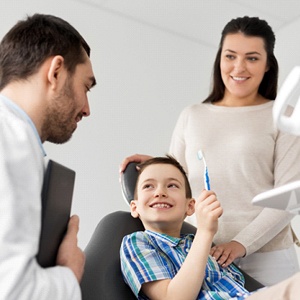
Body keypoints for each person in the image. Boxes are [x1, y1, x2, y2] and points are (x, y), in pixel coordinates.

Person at [119, 16, 300, 286]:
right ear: (219, 60)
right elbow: (178, 183)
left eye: (252, 58)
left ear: (267, 65)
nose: (239, 67)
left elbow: (289, 197)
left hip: (268, 259)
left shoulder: (283, 117)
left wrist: (241, 244)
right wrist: (156, 165)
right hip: (202, 252)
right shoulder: (192, 115)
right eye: (230, 56)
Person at [0, 14, 96, 299]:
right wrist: (69, 271)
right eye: (86, 86)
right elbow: (13, 292)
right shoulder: (12, 146)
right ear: (55, 72)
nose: (87, 108)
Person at [120, 155, 300, 299]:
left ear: (190, 206)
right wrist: (205, 232)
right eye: (148, 186)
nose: (160, 192)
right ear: (134, 207)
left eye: (172, 185)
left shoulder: (198, 245)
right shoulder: (137, 243)